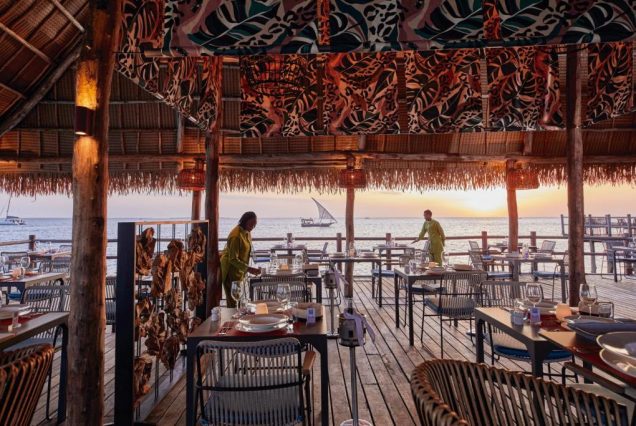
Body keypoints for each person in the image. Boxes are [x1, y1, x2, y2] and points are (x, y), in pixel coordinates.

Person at [220, 211, 261, 307]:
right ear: (244, 221)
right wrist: (249, 269)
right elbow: (233, 259)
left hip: (240, 270)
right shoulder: (235, 236)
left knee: (239, 300)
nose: (252, 227)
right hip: (230, 270)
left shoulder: (247, 232)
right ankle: (231, 316)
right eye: (251, 224)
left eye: (254, 225)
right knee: (233, 302)